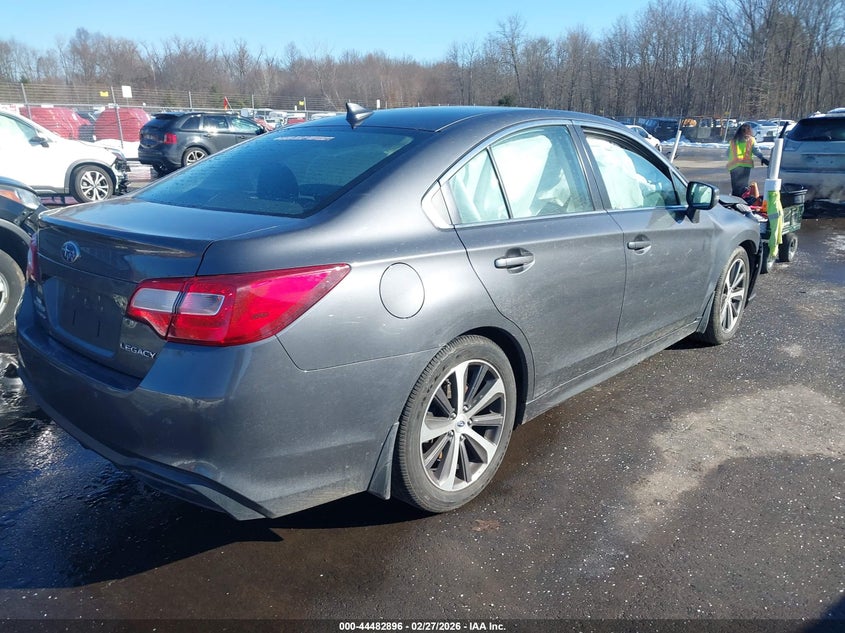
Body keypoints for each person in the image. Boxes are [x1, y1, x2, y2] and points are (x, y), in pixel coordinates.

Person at [727, 123, 770, 197]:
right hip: (745, 166)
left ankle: (734, 201)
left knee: (735, 187)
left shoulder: (733, 141)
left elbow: (727, 153)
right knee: (742, 186)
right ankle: (741, 201)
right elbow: (756, 151)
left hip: (733, 167)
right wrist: (762, 158)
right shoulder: (751, 140)